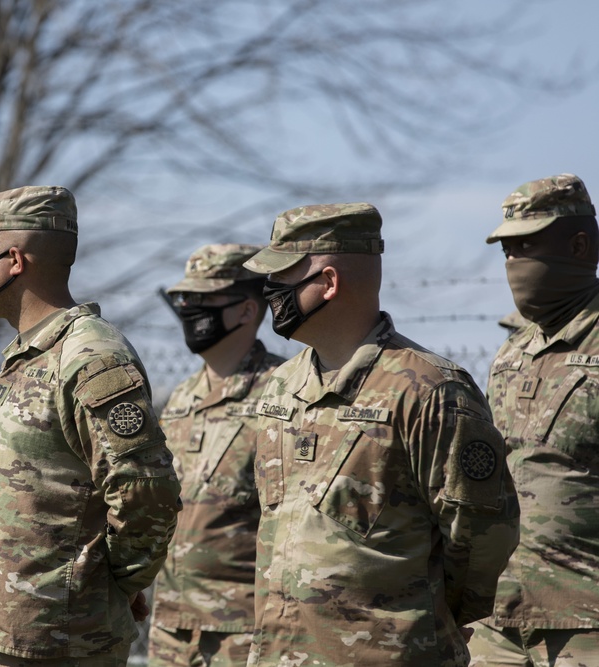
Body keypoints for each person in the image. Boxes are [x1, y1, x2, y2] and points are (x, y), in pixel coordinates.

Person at [242, 203, 521, 666]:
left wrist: (415, 622)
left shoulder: (431, 390)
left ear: (329, 283)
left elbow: (480, 539)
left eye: (283, 277)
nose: (270, 292)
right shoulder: (281, 386)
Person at [0, 185, 181, 666]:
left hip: (49, 644)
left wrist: (112, 584)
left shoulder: (91, 356)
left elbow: (145, 491)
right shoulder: (27, 356)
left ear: (15, 259)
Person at [468, 173, 599, 666]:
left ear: (581, 244)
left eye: (527, 246)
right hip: (500, 621)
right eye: (507, 251)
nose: (513, 264)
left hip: (585, 622)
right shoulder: (512, 351)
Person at [146, 244, 284, 667]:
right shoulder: (182, 397)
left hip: (244, 631)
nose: (189, 310)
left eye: (203, 300)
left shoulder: (282, 393)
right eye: (184, 300)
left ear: (245, 311)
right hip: (170, 625)